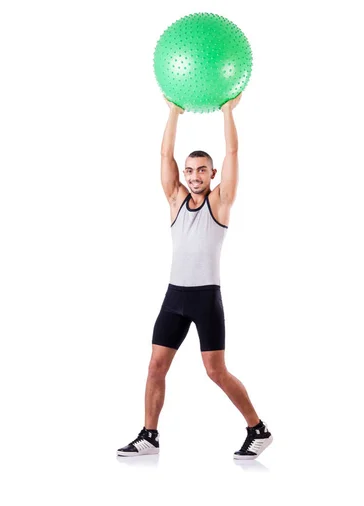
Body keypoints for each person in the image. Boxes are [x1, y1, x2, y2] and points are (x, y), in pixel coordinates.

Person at [117, 94, 273, 460]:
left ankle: (258, 429)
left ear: (212, 174)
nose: (194, 175)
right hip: (174, 297)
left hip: (205, 298)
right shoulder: (175, 199)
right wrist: (173, 112)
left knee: (215, 371)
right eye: (190, 170)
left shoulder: (220, 202)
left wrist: (227, 112)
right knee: (156, 365)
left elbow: (233, 154)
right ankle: (150, 435)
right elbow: (163, 157)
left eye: (202, 170)